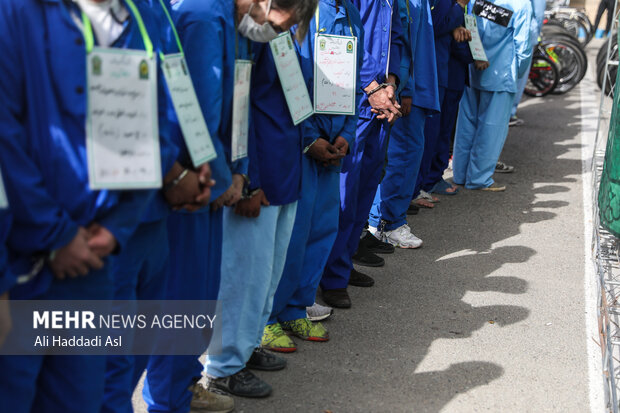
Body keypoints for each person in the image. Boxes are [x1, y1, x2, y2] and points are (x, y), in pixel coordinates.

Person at [0, 0, 169, 411]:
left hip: (93, 260)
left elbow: (156, 126)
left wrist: (117, 227)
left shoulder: (139, 18)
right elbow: (6, 138)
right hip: (21, 263)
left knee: (78, 399)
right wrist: (56, 235)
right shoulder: (16, 13)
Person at [142, 1, 305, 412]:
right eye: (273, 20)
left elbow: (235, 105)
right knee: (181, 301)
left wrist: (237, 171)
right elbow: (193, 109)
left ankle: (183, 386)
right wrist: (217, 175)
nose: (269, 29)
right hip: (192, 185)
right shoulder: (203, 16)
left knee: (200, 295)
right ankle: (167, 397)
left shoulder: (230, 22)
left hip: (215, 179)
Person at [100, 0, 215, 412]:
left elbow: (174, 91)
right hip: (109, 212)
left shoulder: (156, 6)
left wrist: (193, 165)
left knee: (133, 349)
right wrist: (174, 175)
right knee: (101, 365)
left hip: (153, 209)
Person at [203, 0, 316, 399]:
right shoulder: (236, 29)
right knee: (242, 276)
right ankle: (223, 366)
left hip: (284, 162)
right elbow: (238, 109)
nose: (283, 25)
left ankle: (247, 346)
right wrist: (247, 178)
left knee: (266, 272)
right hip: (259, 168)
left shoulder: (276, 32)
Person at [262, 0, 364, 352]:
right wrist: (310, 139)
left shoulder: (350, 14)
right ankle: (269, 317)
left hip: (335, 142)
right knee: (292, 234)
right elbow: (288, 83)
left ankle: (296, 307)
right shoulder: (301, 11)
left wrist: (347, 133)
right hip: (304, 142)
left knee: (322, 228)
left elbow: (352, 80)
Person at [321, 0, 405, 309]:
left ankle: (342, 264)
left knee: (366, 186)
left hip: (381, 97)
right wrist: (373, 87)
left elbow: (395, 34)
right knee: (344, 191)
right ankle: (329, 276)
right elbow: (344, 42)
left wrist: (392, 81)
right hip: (353, 98)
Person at [367, 0, 440, 248]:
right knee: (403, 155)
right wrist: (405, 89)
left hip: (412, 84)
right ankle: (388, 222)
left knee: (401, 155)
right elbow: (400, 37)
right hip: (407, 87)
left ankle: (383, 220)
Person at [452, 0, 532, 191]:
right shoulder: (521, 4)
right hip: (501, 73)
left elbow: (467, 23)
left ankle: (460, 174)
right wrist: (516, 74)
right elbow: (523, 47)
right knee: (492, 129)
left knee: (466, 124)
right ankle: (479, 179)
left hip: (473, 68)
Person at [411, 0, 471, 209]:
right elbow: (433, 24)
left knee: (439, 132)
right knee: (426, 135)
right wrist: (459, 8)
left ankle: (427, 181)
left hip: (444, 71)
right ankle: (418, 186)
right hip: (431, 73)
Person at [509, 0, 546, 126]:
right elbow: (539, 14)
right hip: (524, 30)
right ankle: (510, 113)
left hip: (500, 29)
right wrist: (536, 35)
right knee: (519, 76)